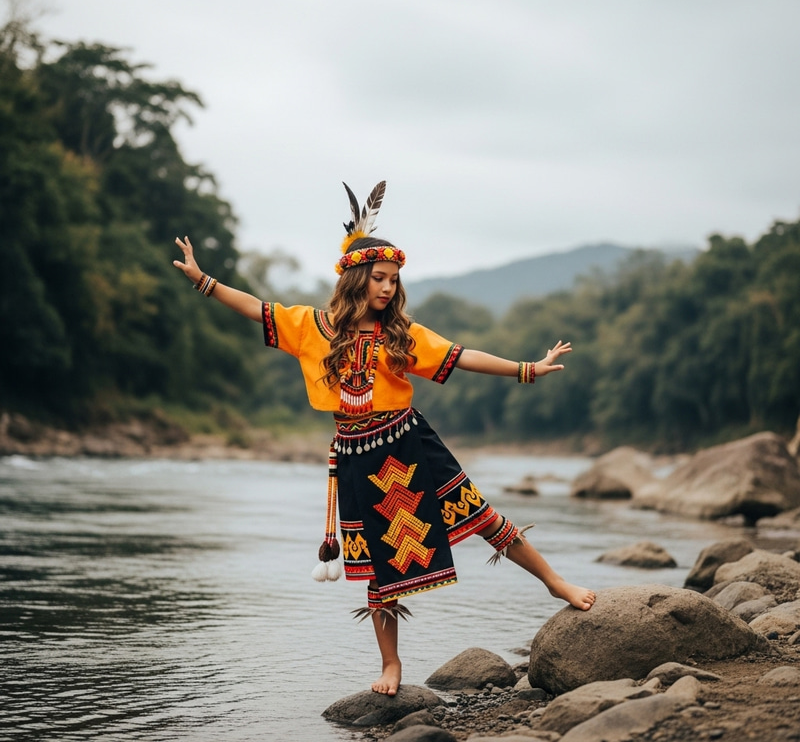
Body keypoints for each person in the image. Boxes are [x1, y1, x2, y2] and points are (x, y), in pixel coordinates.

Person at [173, 181, 595, 697]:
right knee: (378, 566)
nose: (388, 288)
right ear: (356, 278)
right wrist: (203, 281)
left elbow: (462, 356)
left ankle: (555, 582)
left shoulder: (401, 335)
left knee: (481, 516)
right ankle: (391, 664)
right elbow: (255, 307)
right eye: (379, 278)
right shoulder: (310, 327)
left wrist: (527, 368)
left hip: (409, 444)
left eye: (394, 280)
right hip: (356, 458)